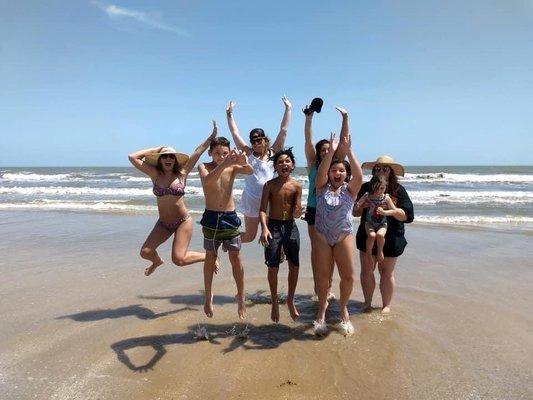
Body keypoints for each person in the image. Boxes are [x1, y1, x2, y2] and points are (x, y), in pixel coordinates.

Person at [128, 121, 218, 276]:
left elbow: (197, 152)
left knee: (179, 260)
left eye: (171, 156)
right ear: (160, 160)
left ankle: (208, 256)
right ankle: (156, 262)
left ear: (175, 160)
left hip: (182, 221)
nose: (168, 158)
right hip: (163, 223)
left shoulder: (182, 173)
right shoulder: (154, 174)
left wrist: (211, 138)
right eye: (164, 156)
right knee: (145, 252)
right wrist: (157, 149)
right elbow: (132, 157)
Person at [313, 122, 363, 337]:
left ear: (345, 175)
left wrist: (349, 151)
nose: (337, 173)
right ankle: (322, 309)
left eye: (341, 170)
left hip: (343, 235)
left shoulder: (350, 190)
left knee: (349, 277)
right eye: (334, 170)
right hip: (323, 236)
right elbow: (323, 170)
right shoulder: (320, 186)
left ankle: (343, 308)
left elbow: (359, 176)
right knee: (323, 277)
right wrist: (332, 151)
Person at [198, 136, 253, 319]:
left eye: (224, 153)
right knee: (210, 257)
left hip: (230, 217)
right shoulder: (204, 167)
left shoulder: (232, 166)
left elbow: (250, 171)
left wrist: (243, 161)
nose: (221, 156)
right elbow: (208, 182)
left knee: (236, 258)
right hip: (211, 218)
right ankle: (208, 296)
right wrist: (225, 163)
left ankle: (241, 296)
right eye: (217, 153)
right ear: (210, 153)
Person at [353, 155, 414, 314]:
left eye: (385, 168)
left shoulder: (398, 190)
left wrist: (391, 211)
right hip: (368, 235)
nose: (381, 171)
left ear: (391, 172)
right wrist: (360, 207)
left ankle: (386, 305)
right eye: (377, 168)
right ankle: (367, 303)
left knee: (386, 272)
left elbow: (407, 215)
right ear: (373, 171)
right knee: (367, 270)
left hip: (392, 237)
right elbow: (355, 212)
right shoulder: (366, 188)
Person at [226, 97, 292, 243]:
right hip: (252, 201)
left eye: (259, 140)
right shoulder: (248, 154)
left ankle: (272, 257)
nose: (256, 143)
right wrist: (229, 115)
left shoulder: (274, 153)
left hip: (270, 201)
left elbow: (284, 130)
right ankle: (227, 241)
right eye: (253, 141)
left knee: (271, 236)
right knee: (249, 237)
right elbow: (235, 133)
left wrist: (288, 109)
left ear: (265, 140)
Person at [303, 105, 349, 299]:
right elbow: (308, 139)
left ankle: (328, 287)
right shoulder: (314, 164)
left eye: (329, 149)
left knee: (333, 251)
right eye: (323, 150)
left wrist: (345, 119)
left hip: (336, 213)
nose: (325, 152)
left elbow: (345, 143)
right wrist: (309, 117)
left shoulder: (336, 167)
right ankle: (319, 288)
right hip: (315, 210)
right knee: (318, 252)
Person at [258, 148, 303, 323]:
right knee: (273, 266)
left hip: (290, 226)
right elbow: (262, 209)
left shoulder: (297, 185)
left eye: (287, 161)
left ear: (292, 165)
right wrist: (264, 228)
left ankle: (290, 300)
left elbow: (297, 211)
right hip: (273, 226)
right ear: (275, 166)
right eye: (280, 162)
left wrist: (299, 211)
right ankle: (275, 301)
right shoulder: (269, 185)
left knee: (295, 265)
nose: (284, 164)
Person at [355, 175, 397, 263]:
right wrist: (358, 206)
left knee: (380, 235)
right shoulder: (367, 195)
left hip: (382, 223)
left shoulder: (386, 198)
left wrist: (385, 212)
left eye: (382, 188)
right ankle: (369, 253)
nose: (378, 191)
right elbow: (357, 206)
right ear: (372, 186)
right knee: (372, 235)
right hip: (369, 222)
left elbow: (394, 211)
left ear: (385, 187)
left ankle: (380, 251)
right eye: (376, 188)